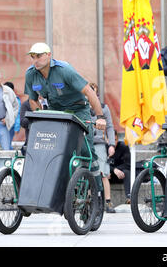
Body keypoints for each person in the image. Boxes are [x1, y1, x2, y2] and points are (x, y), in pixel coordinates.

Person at [24, 42, 106, 192]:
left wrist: (100, 117)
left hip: (78, 109)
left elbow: (89, 91)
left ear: (49, 55)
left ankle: (97, 192)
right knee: (54, 149)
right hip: (56, 111)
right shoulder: (30, 74)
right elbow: (32, 99)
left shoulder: (64, 70)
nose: (35, 60)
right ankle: (63, 190)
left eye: (39, 56)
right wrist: (40, 117)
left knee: (85, 151)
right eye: (33, 57)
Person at [89, 83, 116, 213]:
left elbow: (110, 127)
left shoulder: (104, 108)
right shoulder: (81, 108)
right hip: (86, 143)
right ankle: (89, 200)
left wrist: (111, 144)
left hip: (99, 143)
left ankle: (108, 201)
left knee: (103, 173)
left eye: (94, 93)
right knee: (86, 172)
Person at [109, 130, 131, 204]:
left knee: (127, 172)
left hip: (120, 176)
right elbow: (100, 165)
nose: (113, 143)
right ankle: (100, 200)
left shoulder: (123, 147)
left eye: (115, 140)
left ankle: (129, 197)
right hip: (108, 177)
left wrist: (117, 169)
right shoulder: (103, 148)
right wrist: (113, 170)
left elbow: (128, 164)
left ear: (117, 139)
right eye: (110, 140)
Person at [4, 82, 21, 149]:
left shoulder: (16, 100)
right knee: (6, 143)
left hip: (11, 125)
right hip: (1, 124)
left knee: (7, 144)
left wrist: (17, 127)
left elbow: (18, 114)